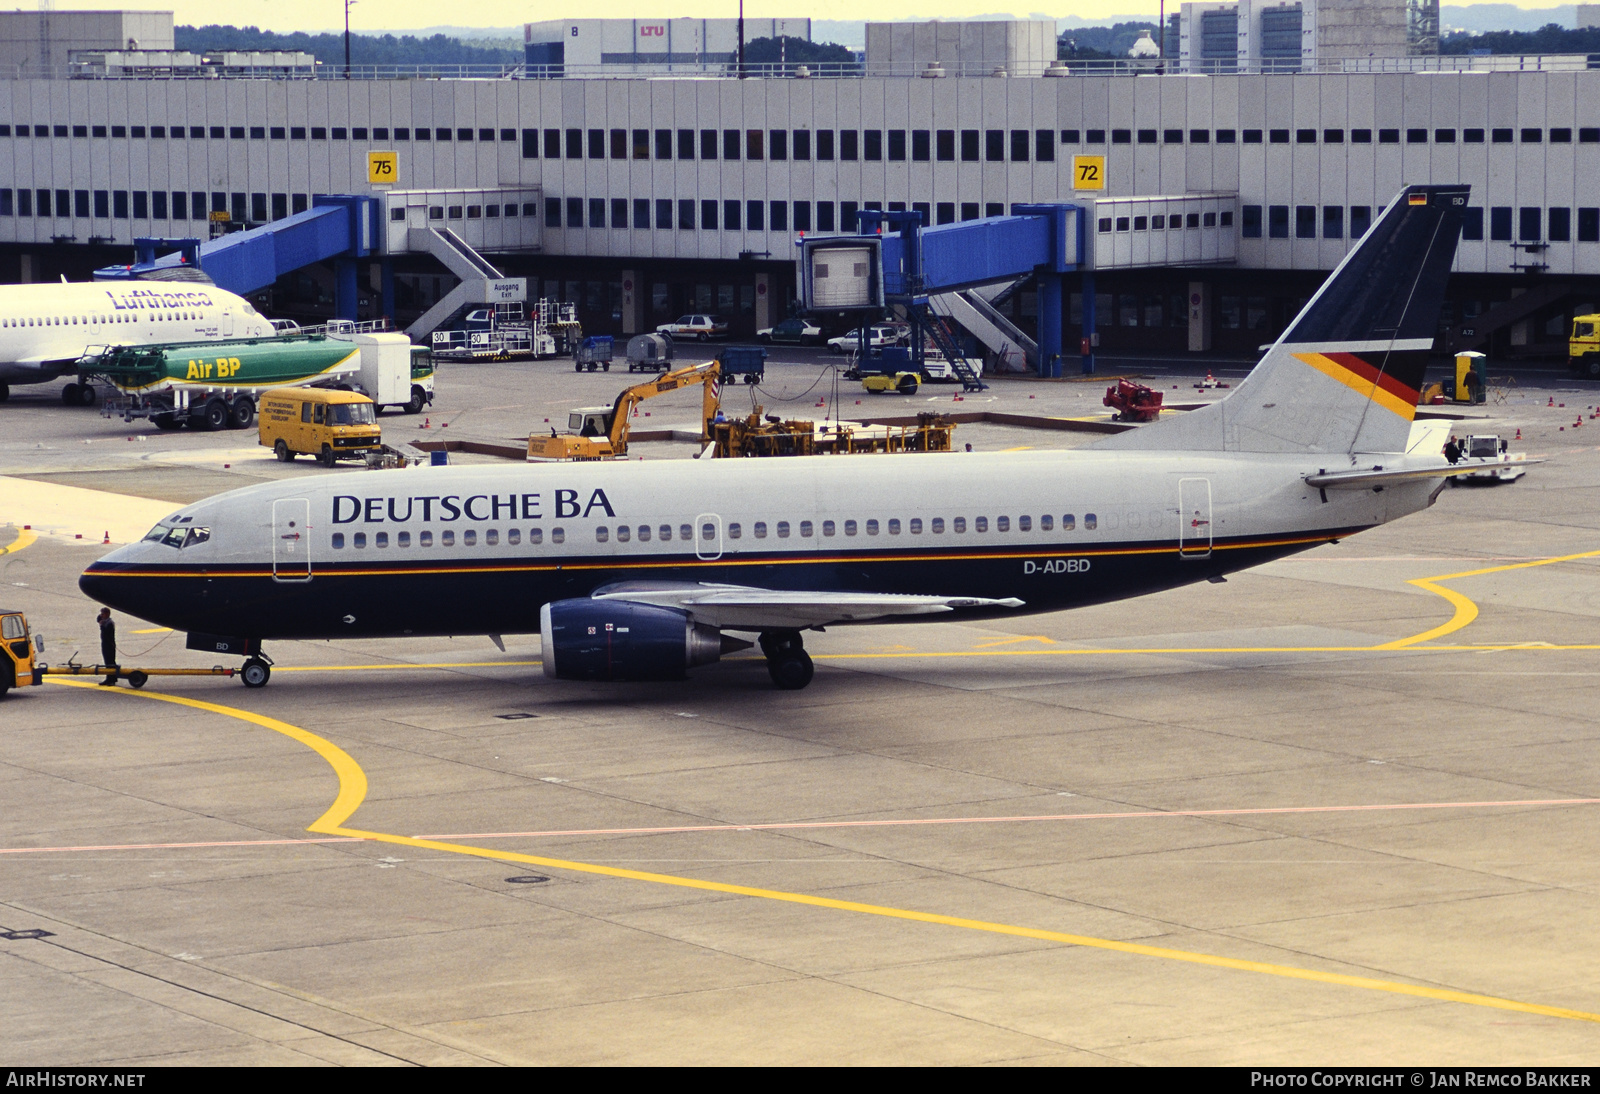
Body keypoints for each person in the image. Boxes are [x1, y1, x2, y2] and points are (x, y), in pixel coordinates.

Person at [97, 608, 118, 686]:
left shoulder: (109, 623)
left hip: (110, 645)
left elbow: (106, 634)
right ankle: (108, 678)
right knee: (107, 662)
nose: (101, 616)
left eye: (103, 614)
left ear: (107, 614)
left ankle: (112, 679)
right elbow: (98, 618)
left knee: (110, 662)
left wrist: (102, 625)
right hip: (105, 644)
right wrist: (100, 620)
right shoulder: (104, 621)